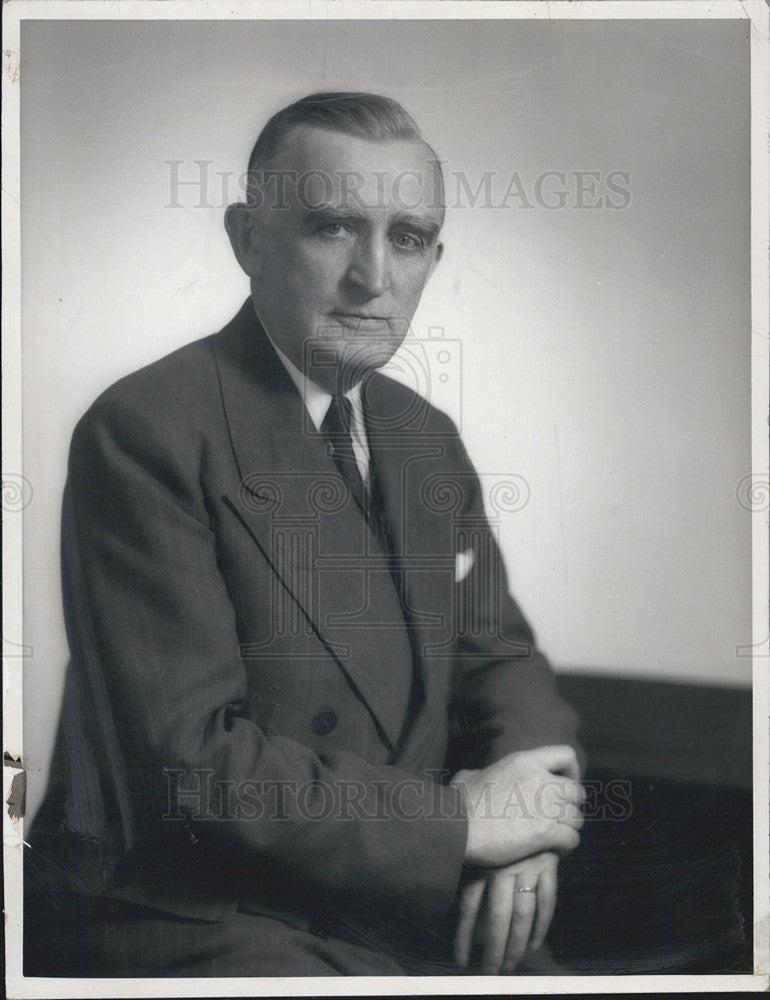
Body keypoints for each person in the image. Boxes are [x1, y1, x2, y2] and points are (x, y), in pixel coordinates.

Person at [24, 91, 585, 978]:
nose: (374, 276)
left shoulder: (420, 433)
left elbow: (498, 654)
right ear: (247, 238)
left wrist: (531, 817)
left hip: (396, 895)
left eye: (406, 238)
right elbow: (192, 766)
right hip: (197, 912)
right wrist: (465, 826)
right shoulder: (148, 430)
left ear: (434, 257)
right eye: (333, 228)